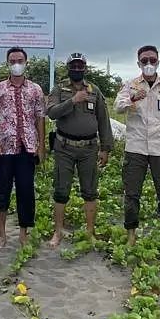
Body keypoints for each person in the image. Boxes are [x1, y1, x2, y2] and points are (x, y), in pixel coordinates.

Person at [114, 45, 160, 247]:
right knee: (132, 193)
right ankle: (131, 235)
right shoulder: (130, 85)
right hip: (136, 148)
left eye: (152, 60)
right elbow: (118, 107)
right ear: (138, 63)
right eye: (144, 60)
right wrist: (133, 98)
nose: (149, 64)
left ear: (158, 61)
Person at [45, 52, 114, 247]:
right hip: (64, 146)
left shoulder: (94, 90)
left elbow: (103, 120)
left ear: (85, 68)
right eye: (73, 66)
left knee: (90, 191)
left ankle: (90, 232)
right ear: (68, 68)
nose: (77, 69)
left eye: (80, 66)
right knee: (61, 190)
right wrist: (73, 100)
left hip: (89, 148)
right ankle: (57, 232)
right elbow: (51, 113)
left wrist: (105, 148)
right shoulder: (59, 89)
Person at [0, 47, 45, 248]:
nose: (16, 64)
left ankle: (23, 233)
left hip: (27, 148)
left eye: (20, 60)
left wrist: (41, 145)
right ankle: (1, 234)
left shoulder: (35, 89)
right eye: (12, 61)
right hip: (4, 148)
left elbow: (40, 118)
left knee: (26, 190)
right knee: (1, 190)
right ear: (7, 63)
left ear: (26, 62)